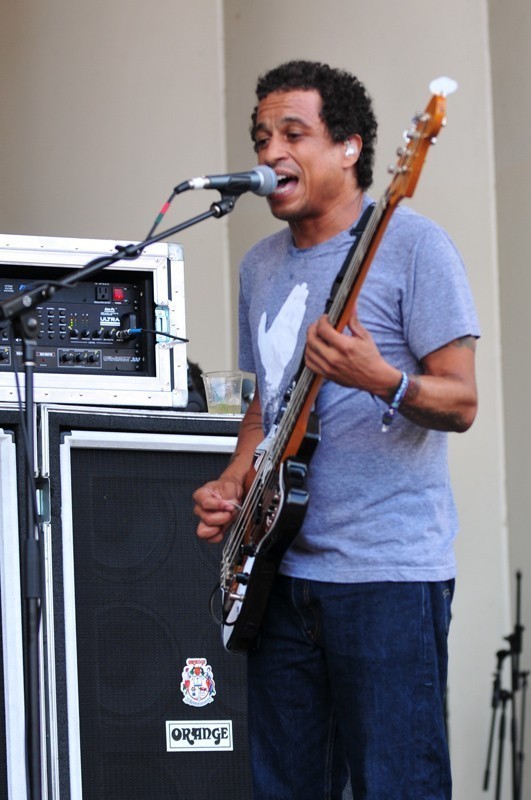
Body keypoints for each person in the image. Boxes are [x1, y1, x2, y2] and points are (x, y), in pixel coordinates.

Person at [193, 59, 479, 800]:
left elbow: (461, 402)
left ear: (350, 147)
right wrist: (232, 483)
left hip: (386, 577)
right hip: (278, 572)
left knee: (398, 786)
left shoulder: (415, 246)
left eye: (293, 133)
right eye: (262, 138)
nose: (270, 153)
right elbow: (265, 407)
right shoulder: (259, 266)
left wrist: (380, 378)